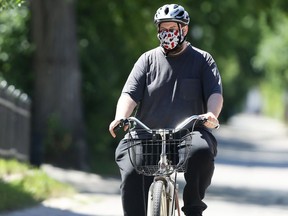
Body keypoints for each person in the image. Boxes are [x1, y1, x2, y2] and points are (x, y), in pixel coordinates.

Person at [109, 4, 223, 216]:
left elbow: (215, 94)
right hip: (147, 134)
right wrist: (121, 117)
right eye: (163, 28)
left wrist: (211, 115)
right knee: (130, 163)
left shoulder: (202, 60)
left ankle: (193, 208)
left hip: (187, 134)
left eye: (172, 28)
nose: (167, 33)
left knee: (202, 151)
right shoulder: (147, 60)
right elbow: (129, 94)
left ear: (184, 30)